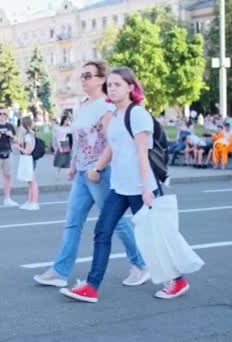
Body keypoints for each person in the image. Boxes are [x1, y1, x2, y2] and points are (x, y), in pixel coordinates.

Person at [60, 66, 190, 303]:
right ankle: (91, 286)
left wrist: (147, 188)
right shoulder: (116, 115)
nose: (112, 88)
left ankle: (178, 279)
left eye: (117, 84)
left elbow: (142, 153)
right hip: (119, 187)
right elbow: (112, 147)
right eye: (109, 84)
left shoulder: (137, 114)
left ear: (131, 87)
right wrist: (97, 168)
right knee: (102, 231)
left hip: (140, 186)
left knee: (152, 235)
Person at [34, 61, 146, 289]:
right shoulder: (84, 105)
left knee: (114, 223)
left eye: (88, 75)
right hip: (83, 173)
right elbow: (81, 139)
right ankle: (60, 271)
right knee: (73, 222)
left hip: (100, 173)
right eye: (82, 76)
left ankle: (140, 263)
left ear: (101, 79)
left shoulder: (106, 107)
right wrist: (74, 165)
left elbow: (111, 142)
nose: (83, 79)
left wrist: (97, 168)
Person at [13, 116, 39, 210]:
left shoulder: (28, 136)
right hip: (29, 159)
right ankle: (30, 201)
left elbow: (27, 151)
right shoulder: (29, 135)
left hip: (29, 159)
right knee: (30, 181)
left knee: (32, 181)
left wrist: (18, 148)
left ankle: (34, 202)